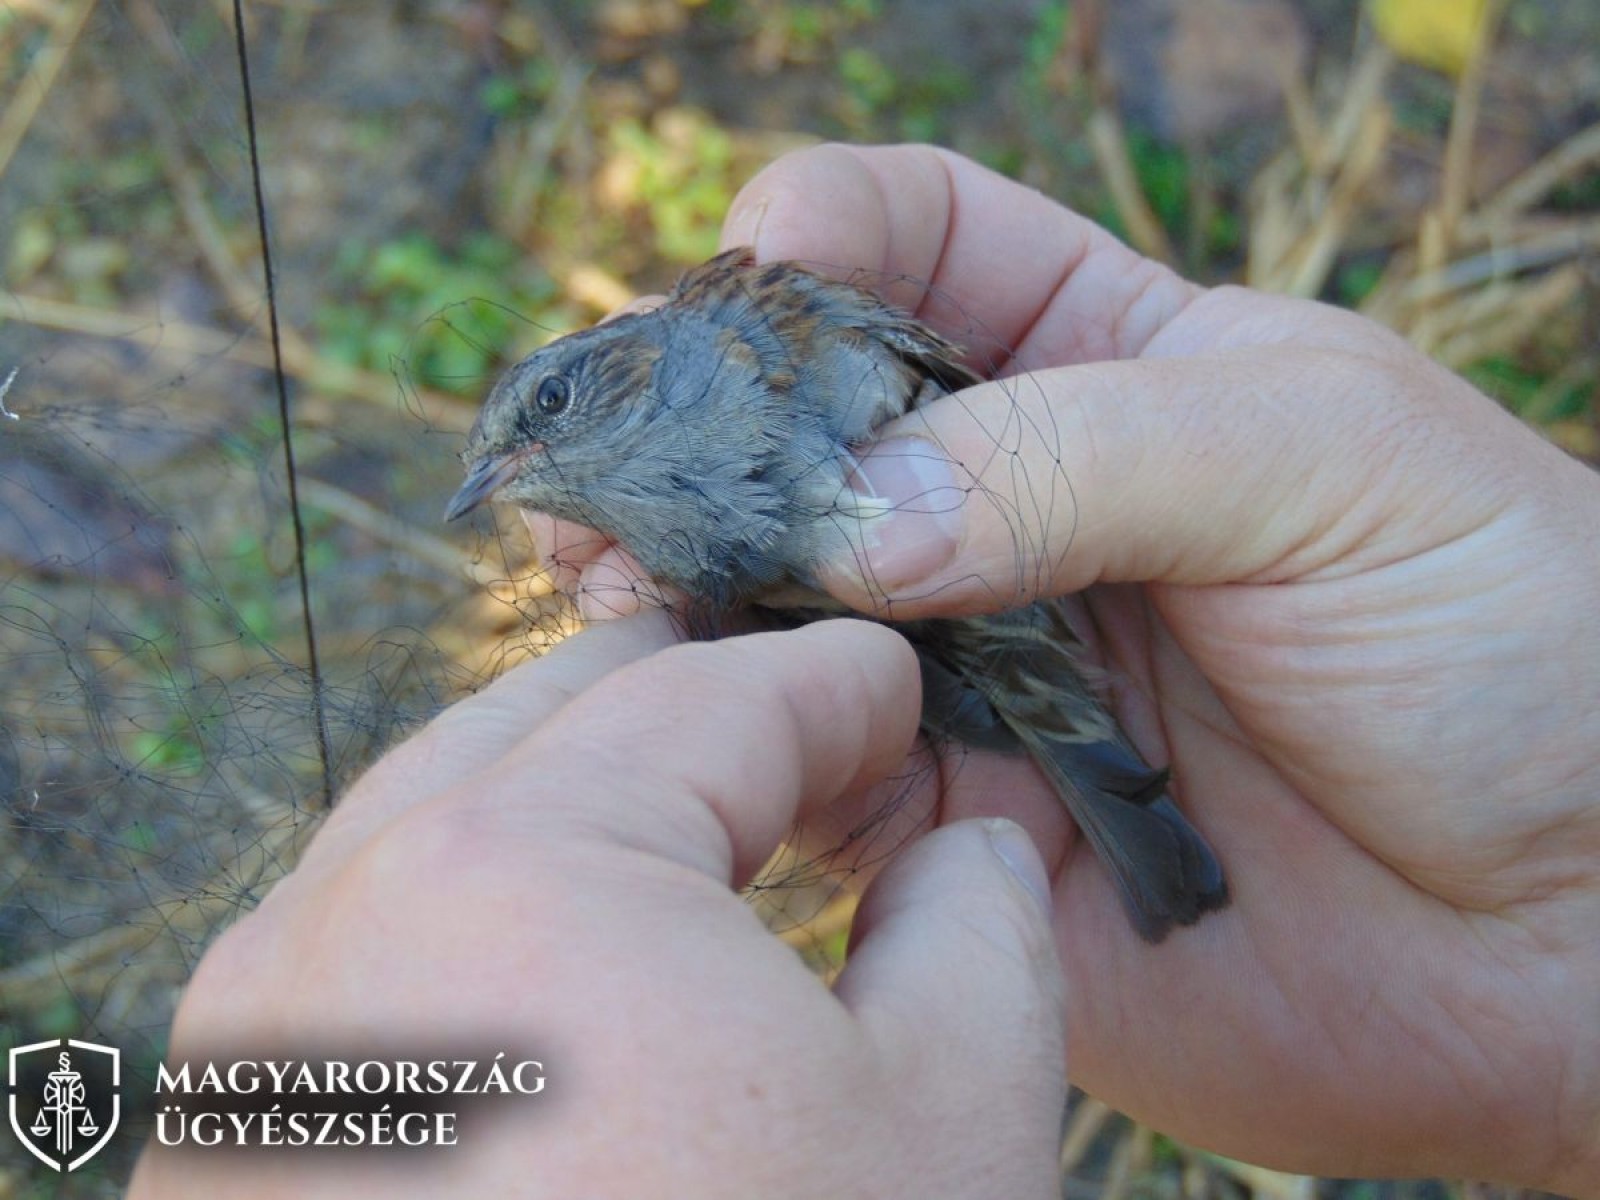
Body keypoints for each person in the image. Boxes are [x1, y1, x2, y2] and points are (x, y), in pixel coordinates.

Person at [129, 145, 1600, 1198]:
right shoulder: (634, 517)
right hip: (880, 636)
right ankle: (1119, 803)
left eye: (541, 419)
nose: (517, 477)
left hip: (988, 564)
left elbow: (923, 391)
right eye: (506, 466)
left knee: (1025, 691)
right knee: (1011, 720)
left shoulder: (750, 331)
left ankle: (1105, 781)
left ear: (619, 369)